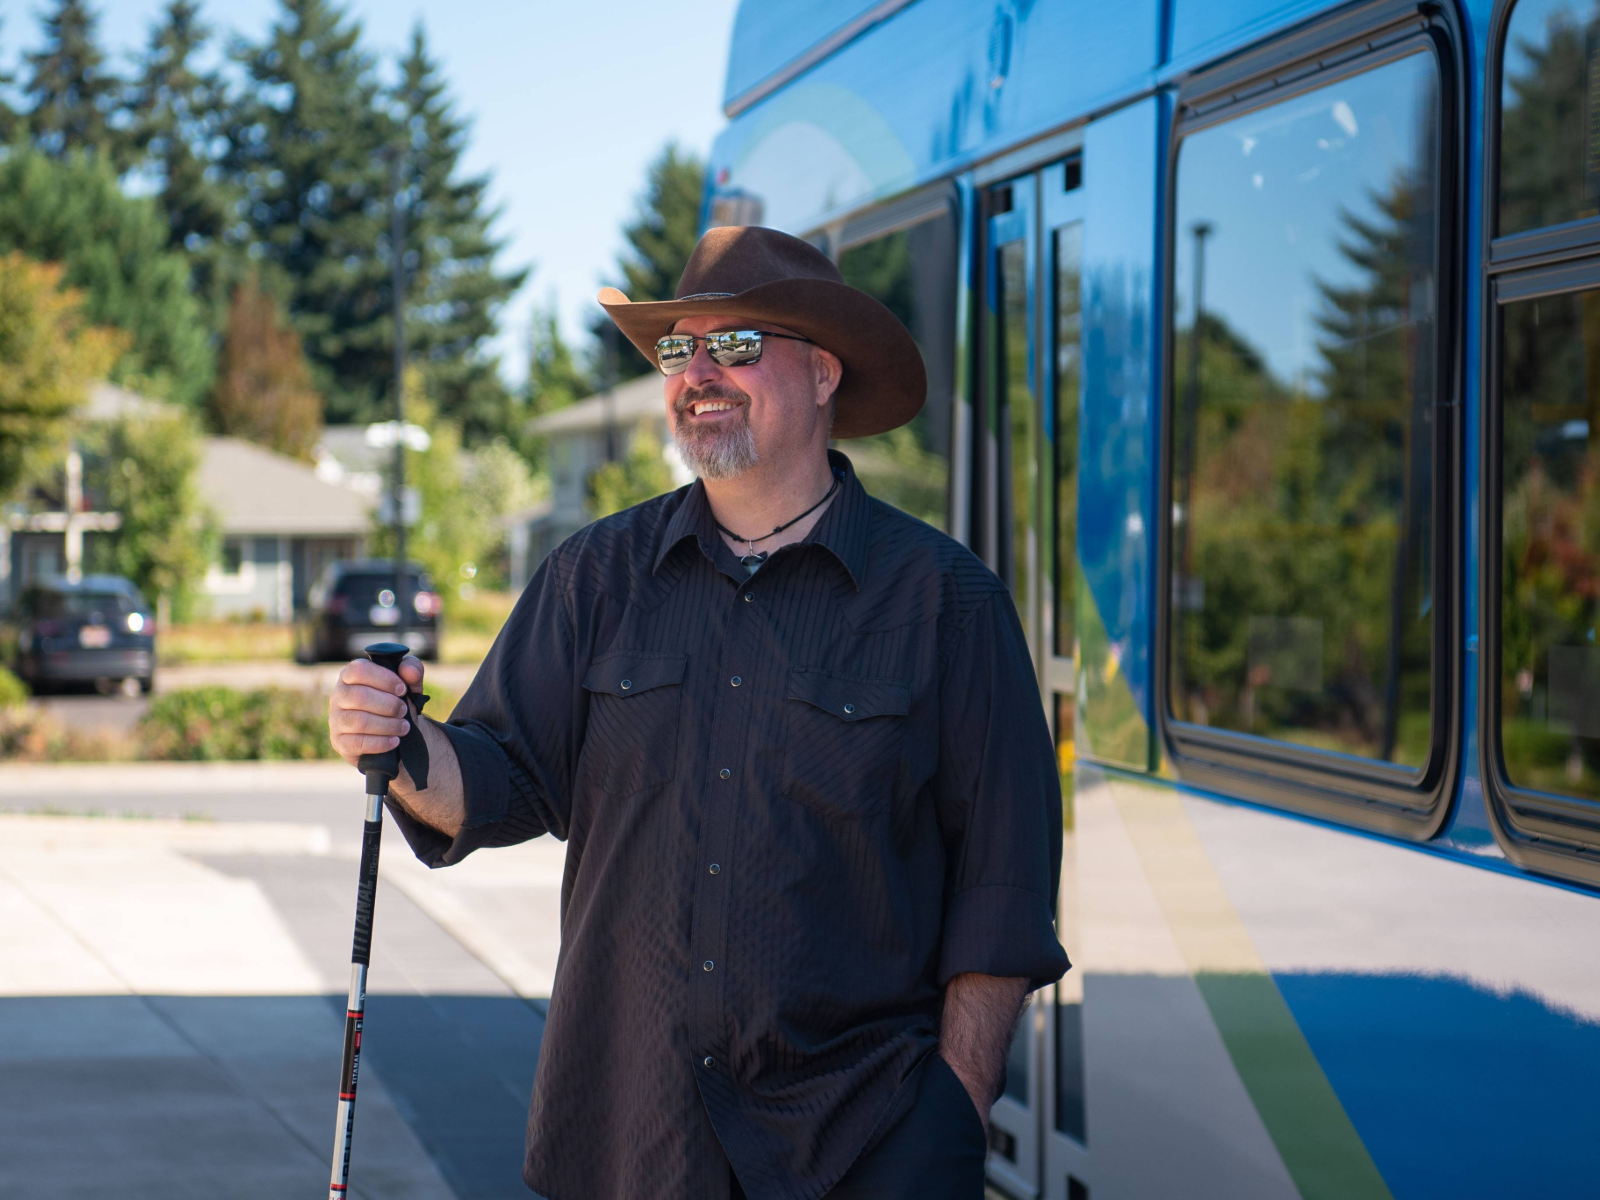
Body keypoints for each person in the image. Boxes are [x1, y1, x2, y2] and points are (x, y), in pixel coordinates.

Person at [328, 226, 1069, 1200]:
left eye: (740, 345)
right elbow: (499, 778)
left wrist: (954, 1111)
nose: (698, 372)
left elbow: (1001, 889)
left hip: (860, 1147)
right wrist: (401, 739)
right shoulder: (593, 579)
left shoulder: (946, 604)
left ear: (821, 375)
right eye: (680, 349)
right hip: (632, 1141)